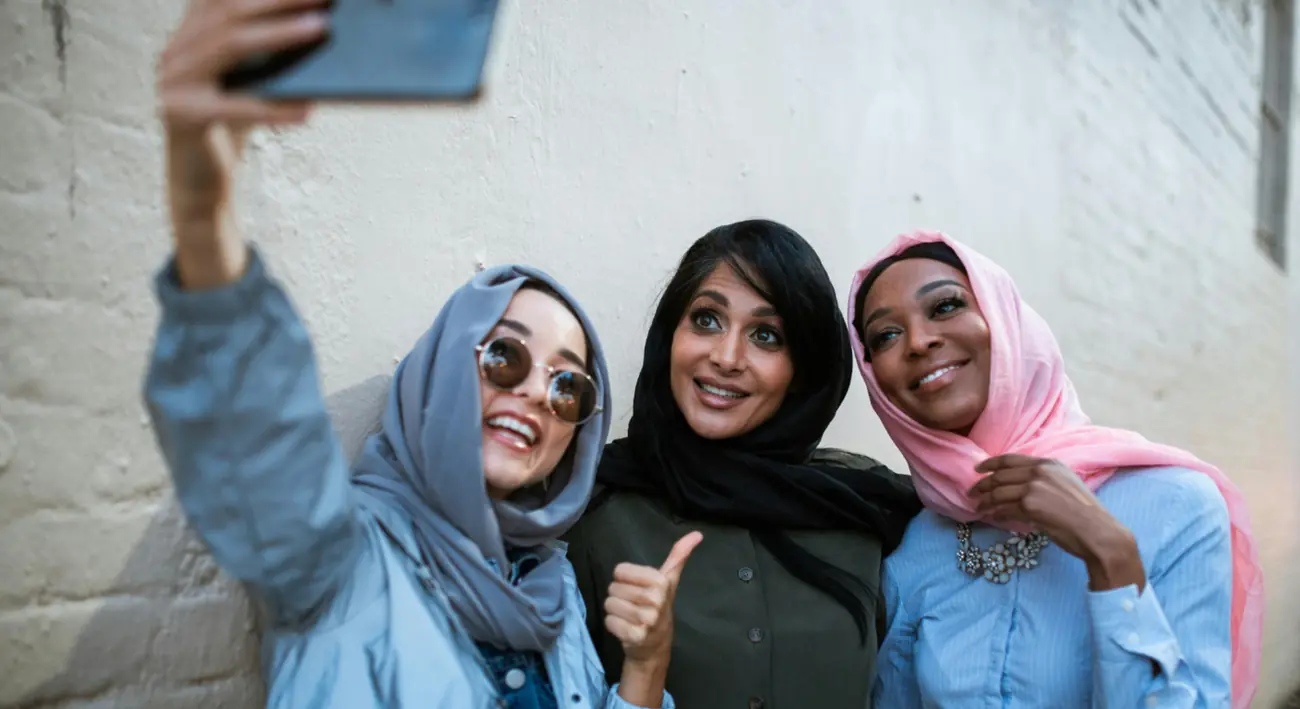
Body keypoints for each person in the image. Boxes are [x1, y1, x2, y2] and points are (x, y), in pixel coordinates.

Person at [145, 1, 693, 707]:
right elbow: (255, 435)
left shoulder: (549, 595)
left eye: (569, 388)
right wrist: (202, 202)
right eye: (505, 358)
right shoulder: (339, 559)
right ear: (441, 376)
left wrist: (646, 669)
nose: (536, 393)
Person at [847, 231, 1264, 708]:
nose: (919, 342)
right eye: (886, 335)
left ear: (1005, 322)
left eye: (944, 307)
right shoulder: (913, 545)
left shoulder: (1176, 505)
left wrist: (1110, 555)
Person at [562, 219, 924, 709]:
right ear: (671, 334)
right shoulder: (589, 509)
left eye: (767, 335)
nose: (727, 357)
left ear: (804, 367)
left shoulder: (867, 511)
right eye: (707, 320)